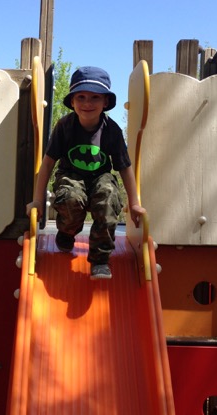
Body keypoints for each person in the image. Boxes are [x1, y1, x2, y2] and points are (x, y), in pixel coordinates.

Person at [26, 66, 145, 280]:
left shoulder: (112, 130)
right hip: (71, 174)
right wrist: (37, 200)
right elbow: (47, 164)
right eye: (80, 96)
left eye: (94, 97)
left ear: (105, 102)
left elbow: (125, 168)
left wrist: (134, 203)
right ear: (72, 101)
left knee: (108, 195)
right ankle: (67, 232)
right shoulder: (65, 126)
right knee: (70, 196)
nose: (87, 103)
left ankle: (100, 259)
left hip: (100, 176)